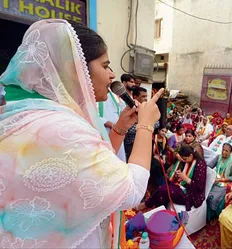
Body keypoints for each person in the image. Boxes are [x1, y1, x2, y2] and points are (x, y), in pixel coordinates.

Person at [0, 20, 163, 248]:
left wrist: (119, 129)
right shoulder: (60, 128)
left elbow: (89, 167)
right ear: (75, 69)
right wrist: (146, 125)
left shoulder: (31, 114)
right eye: (105, 66)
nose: (112, 75)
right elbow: (132, 191)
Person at [137, 145, 207, 212]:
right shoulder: (189, 160)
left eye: (185, 159)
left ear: (191, 155)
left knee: (163, 191)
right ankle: (158, 210)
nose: (184, 161)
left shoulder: (200, 166)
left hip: (192, 195)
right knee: (161, 189)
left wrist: (185, 178)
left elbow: (199, 187)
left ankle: (148, 206)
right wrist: (179, 175)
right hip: (183, 186)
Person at [207, 143, 232, 221]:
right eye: (223, 150)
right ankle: (205, 216)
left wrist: (221, 179)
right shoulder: (218, 157)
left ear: (230, 152)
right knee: (205, 194)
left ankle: (213, 217)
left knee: (212, 198)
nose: (224, 152)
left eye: (226, 151)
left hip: (224, 183)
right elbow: (209, 166)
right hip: (214, 180)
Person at [98, 80, 127, 161]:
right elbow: (90, 113)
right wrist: (108, 123)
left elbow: (121, 110)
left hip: (116, 131)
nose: (112, 75)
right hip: (104, 131)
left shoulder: (113, 94)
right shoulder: (96, 93)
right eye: (105, 67)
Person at [124, 86, 150, 160]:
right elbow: (128, 129)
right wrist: (145, 126)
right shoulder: (128, 108)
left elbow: (156, 122)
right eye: (143, 96)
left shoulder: (145, 108)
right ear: (135, 97)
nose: (146, 98)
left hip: (143, 143)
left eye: (146, 96)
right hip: (131, 145)